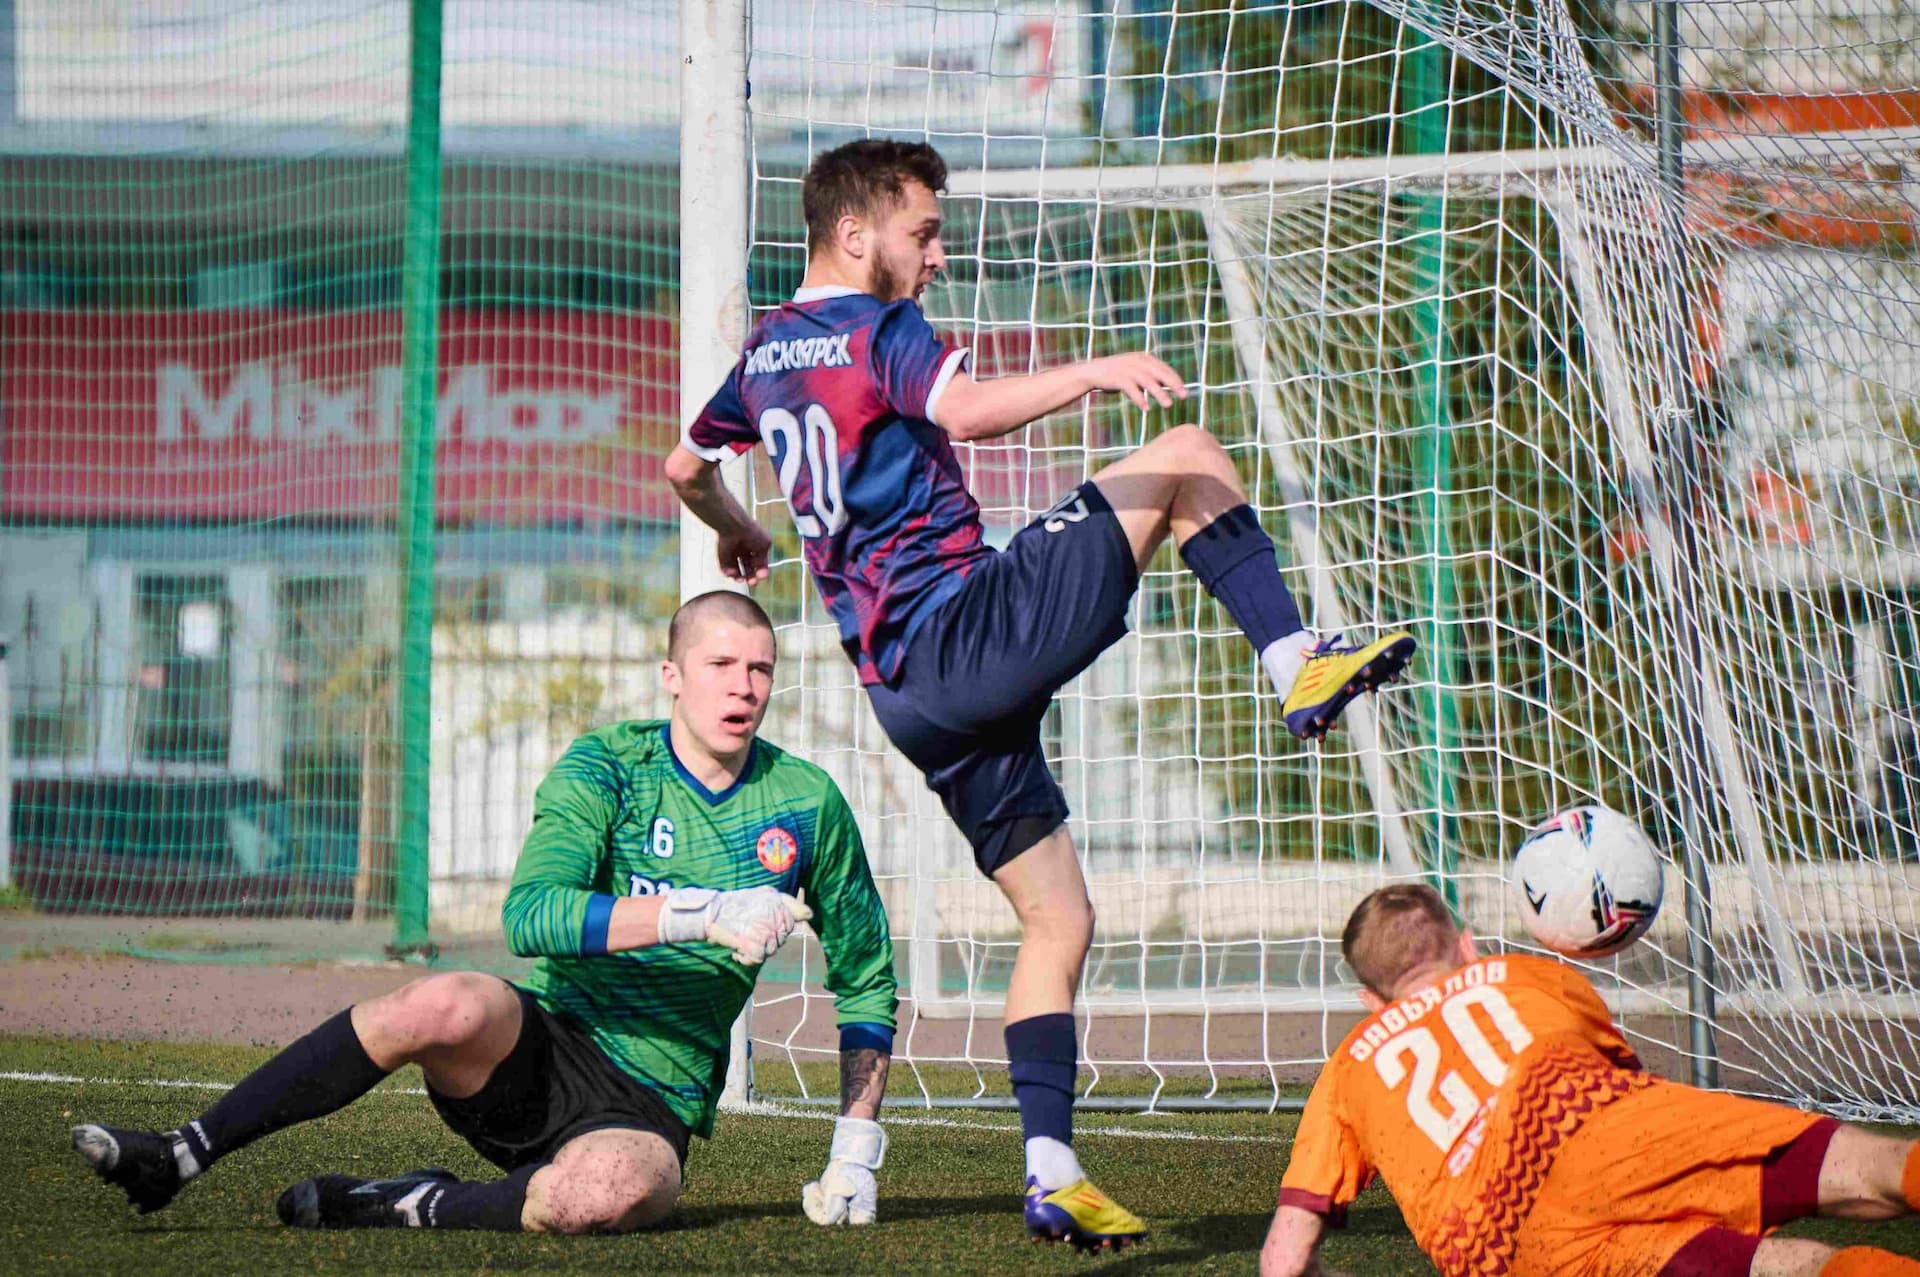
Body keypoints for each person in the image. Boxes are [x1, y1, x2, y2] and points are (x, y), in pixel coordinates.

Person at [666, 137, 1415, 1250]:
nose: (935, 254)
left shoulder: (767, 352)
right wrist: (1094, 371)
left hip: (908, 695)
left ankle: (1051, 1166)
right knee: (1187, 451)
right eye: (921, 231)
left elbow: (684, 465)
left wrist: (740, 530)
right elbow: (962, 416)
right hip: (965, 632)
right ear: (855, 232)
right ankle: (1292, 662)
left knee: (1059, 915)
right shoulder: (880, 328)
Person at [72, 591, 899, 1235]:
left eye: (760, 669)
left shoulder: (806, 802)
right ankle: (182, 1151)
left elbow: (865, 979)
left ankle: (410, 1203)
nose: (744, 686)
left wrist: (855, 1150)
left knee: (605, 1198)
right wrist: (698, 912)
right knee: (444, 999)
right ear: (672, 675)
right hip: (542, 1042)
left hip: (650, 1102)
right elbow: (531, 916)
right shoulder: (609, 765)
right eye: (721, 663)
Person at [1260, 884, 1920, 1277]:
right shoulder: (1527, 975)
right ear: (1467, 947)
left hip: (1506, 1241)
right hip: (1585, 1117)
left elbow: (1284, 1258)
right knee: (1868, 1166)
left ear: (1372, 1001)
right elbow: (1621, 1077)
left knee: (1770, 1268)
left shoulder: (1349, 1065)